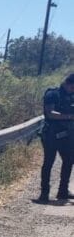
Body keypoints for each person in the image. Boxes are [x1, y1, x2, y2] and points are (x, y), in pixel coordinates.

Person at [36, 72, 74, 204]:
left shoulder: (71, 96)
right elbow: (50, 113)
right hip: (51, 134)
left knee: (69, 161)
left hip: (66, 135)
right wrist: (69, 117)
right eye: (73, 87)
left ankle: (63, 191)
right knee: (48, 163)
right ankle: (44, 194)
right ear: (67, 83)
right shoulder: (52, 94)